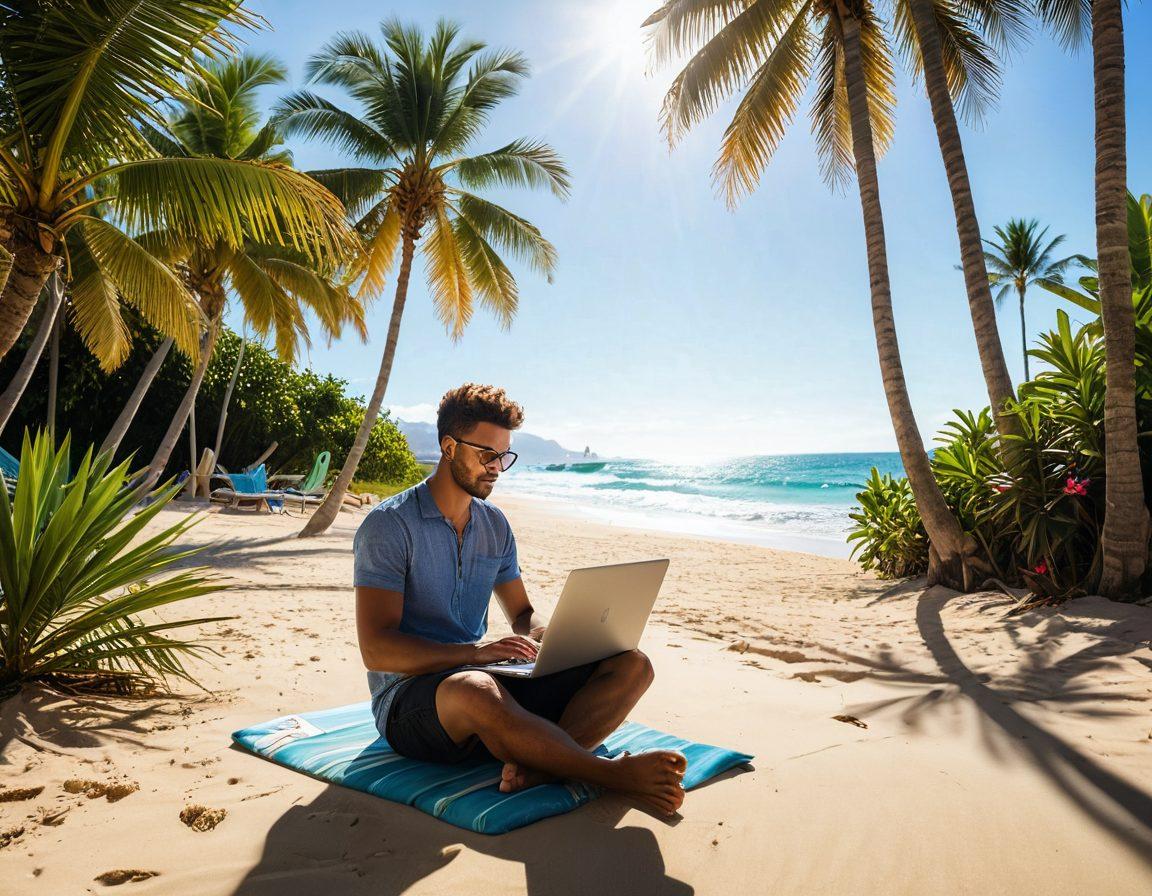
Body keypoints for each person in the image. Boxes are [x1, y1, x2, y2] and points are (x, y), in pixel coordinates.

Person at [353, 383, 686, 815]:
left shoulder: (494, 526)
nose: (497, 468)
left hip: (490, 683)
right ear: (449, 448)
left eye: (504, 456)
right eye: (487, 455)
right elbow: (376, 648)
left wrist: (553, 635)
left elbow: (522, 614)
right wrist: (473, 653)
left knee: (633, 664)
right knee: (474, 688)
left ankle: (541, 768)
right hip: (413, 702)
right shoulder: (389, 526)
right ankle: (609, 774)